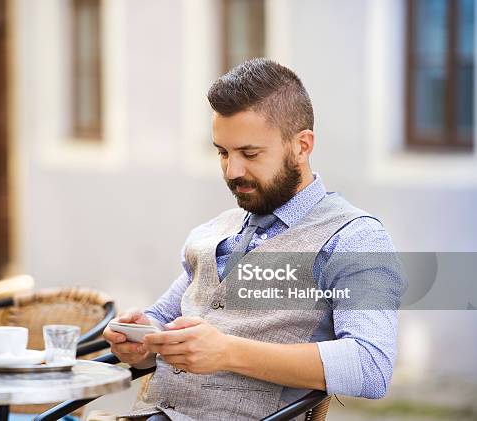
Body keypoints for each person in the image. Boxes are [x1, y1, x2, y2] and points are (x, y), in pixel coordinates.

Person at [98, 58, 405, 421]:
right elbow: (162, 317)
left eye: (250, 153)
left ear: (302, 146)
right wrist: (142, 339)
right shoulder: (214, 232)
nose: (232, 171)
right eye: (223, 152)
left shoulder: (355, 238)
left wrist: (226, 352)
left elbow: (370, 365)